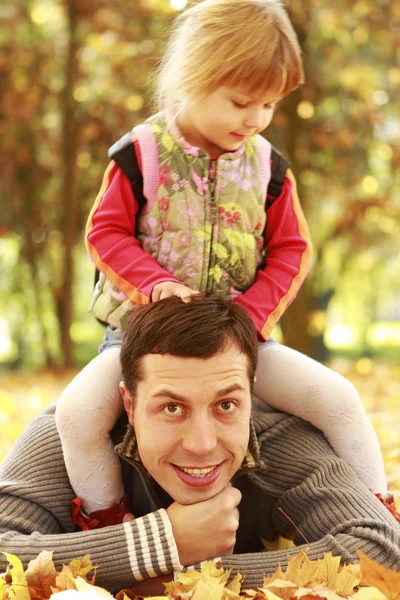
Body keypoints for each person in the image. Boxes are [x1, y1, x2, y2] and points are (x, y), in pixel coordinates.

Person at [55, 0, 387, 529]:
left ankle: (379, 515)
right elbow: (106, 232)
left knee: (338, 397)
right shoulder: (141, 156)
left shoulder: (268, 169)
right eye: (240, 102)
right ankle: (110, 525)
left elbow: (291, 249)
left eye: (270, 106)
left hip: (242, 340)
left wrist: (252, 319)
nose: (255, 120)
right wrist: (155, 284)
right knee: (76, 415)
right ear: (193, 77)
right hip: (140, 338)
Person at [0, 295, 399, 596]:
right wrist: (165, 541)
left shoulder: (278, 439)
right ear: (130, 404)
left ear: (251, 396)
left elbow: (381, 548)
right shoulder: (66, 437)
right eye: (172, 407)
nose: (202, 444)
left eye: (226, 405)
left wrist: (183, 578)